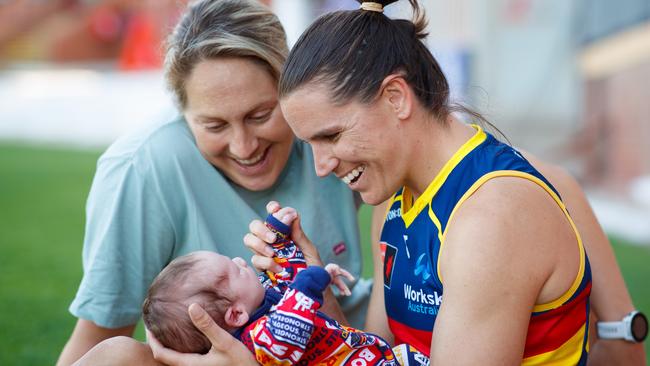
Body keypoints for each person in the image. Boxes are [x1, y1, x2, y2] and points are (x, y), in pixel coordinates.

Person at [72, 0, 645, 364]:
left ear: (395, 97)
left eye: (329, 136)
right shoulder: (396, 202)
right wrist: (311, 290)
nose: (320, 168)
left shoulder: (488, 220)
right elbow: (376, 354)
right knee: (115, 358)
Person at [56, 0, 374, 364]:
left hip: (347, 346)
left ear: (290, 90)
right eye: (215, 125)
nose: (245, 147)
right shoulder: (142, 168)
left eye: (260, 115)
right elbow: (96, 343)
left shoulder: (327, 135)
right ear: (183, 112)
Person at [142, 211, 426, 365]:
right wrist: (310, 282)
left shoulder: (264, 302)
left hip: (372, 354)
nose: (241, 260)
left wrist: (277, 236)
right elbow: (291, 320)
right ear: (236, 315)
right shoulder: (260, 341)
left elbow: (289, 275)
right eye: (234, 270)